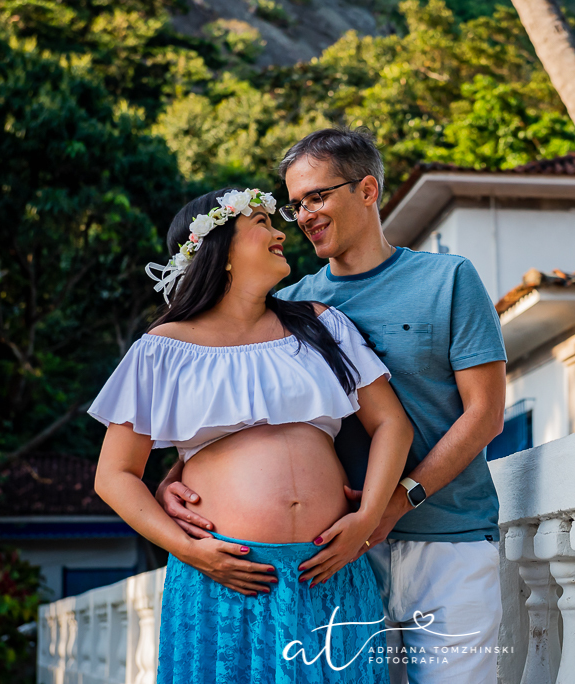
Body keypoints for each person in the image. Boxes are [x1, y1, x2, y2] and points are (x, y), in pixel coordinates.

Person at [158, 129, 508, 683]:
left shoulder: (449, 278)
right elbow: (248, 412)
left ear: (367, 190)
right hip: (336, 556)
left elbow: (485, 414)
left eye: (317, 197)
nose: (302, 216)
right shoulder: (294, 306)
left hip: (448, 539)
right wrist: (174, 479)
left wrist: (393, 503)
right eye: (294, 204)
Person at [91, 186, 413, 683]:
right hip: (226, 576)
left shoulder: (322, 326)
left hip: (329, 566)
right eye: (261, 222)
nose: (281, 230)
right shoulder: (162, 349)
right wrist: (190, 550)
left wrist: (367, 517)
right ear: (217, 252)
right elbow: (114, 475)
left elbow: (391, 423)